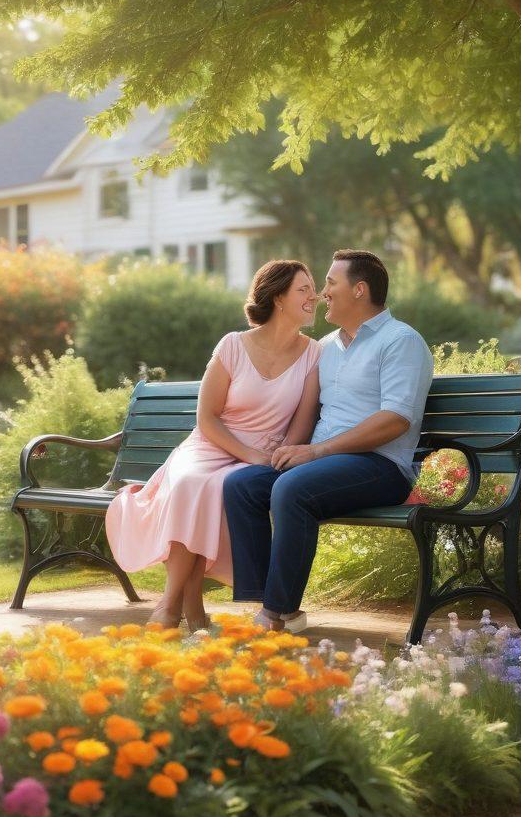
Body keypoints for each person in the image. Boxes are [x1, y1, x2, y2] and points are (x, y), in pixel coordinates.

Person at [105, 260, 322, 632]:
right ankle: (177, 605)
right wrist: (248, 454)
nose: (314, 297)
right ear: (278, 298)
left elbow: (301, 427)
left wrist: (269, 459)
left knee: (217, 487)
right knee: (191, 482)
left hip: (264, 458)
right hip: (211, 446)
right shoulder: (233, 345)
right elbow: (207, 418)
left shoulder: (314, 354)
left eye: (314, 289)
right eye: (304, 289)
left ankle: (181, 609)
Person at [223, 249, 433, 631]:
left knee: (292, 488)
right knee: (243, 485)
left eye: (331, 283)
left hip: (381, 466)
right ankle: (268, 601)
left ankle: (275, 616)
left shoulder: (401, 341)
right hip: (325, 462)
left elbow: (395, 420)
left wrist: (317, 451)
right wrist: (289, 448)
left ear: (359, 290)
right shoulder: (327, 346)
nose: (323, 294)